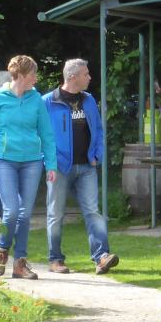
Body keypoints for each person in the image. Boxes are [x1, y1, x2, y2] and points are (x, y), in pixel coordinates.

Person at [0, 54, 57, 280]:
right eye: (33, 74)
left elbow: (47, 134)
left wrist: (51, 164)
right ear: (20, 75)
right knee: (11, 211)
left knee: (25, 213)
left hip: (32, 161)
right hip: (4, 160)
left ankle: (20, 263)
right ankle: (2, 253)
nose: (36, 78)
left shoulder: (36, 99)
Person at [44, 58, 119, 275]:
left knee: (93, 212)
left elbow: (98, 130)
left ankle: (102, 257)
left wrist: (97, 154)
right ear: (72, 76)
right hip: (59, 167)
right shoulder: (48, 101)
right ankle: (55, 259)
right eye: (86, 74)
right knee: (56, 214)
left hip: (86, 166)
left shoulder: (88, 100)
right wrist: (49, 160)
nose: (90, 77)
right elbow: (38, 134)